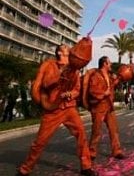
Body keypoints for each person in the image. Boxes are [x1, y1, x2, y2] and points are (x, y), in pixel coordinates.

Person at [18, 44, 96, 176]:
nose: (70, 53)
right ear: (59, 53)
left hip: (69, 108)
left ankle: (86, 166)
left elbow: (77, 89)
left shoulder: (74, 69)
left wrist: (70, 94)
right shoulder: (48, 65)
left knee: (81, 135)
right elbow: (42, 84)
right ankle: (25, 169)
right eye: (66, 51)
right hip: (52, 110)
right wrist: (59, 75)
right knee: (40, 141)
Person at [87, 56, 125, 160]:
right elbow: (92, 90)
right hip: (99, 106)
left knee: (114, 129)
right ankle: (92, 152)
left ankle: (117, 151)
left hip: (109, 106)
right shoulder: (96, 76)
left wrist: (120, 77)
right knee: (96, 130)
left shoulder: (109, 76)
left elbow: (112, 86)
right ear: (104, 64)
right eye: (109, 62)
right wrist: (104, 93)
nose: (111, 64)